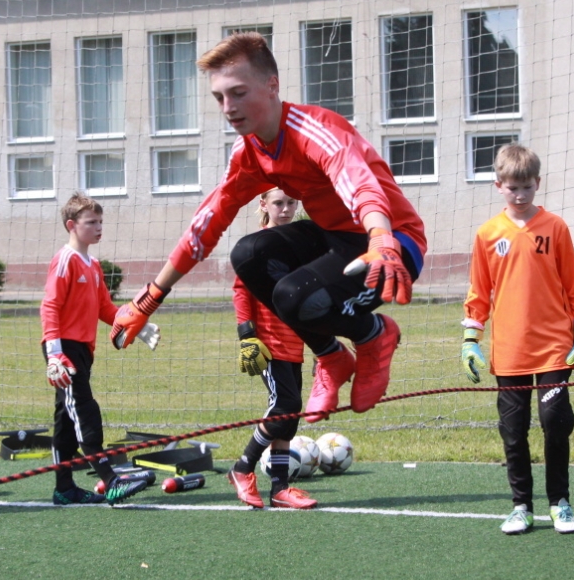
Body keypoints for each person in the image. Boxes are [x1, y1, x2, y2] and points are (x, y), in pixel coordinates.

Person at [110, 31, 427, 442]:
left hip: (392, 245)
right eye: (219, 98)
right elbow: (206, 223)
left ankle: (374, 335)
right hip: (337, 238)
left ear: (272, 85)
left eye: (238, 93)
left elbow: (359, 184)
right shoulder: (250, 153)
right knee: (249, 253)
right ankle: (331, 356)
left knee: (292, 295)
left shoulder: (316, 129)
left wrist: (382, 238)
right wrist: (150, 296)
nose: (228, 108)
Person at [460, 144, 574, 536]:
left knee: (556, 422)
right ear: (498, 185)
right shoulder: (487, 235)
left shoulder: (556, 228)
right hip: (509, 352)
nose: (520, 195)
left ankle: (560, 502)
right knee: (513, 430)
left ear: (538, 183)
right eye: (512, 187)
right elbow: (478, 293)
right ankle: (521, 506)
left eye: (527, 187)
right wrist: (471, 340)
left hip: (554, 348)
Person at [41, 194, 150, 506]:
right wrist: (54, 355)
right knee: (86, 412)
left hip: (82, 352)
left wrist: (135, 324)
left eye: (101, 221)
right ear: (72, 226)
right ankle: (111, 481)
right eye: (91, 222)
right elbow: (49, 306)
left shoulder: (93, 265)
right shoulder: (65, 260)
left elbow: (105, 309)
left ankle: (64, 489)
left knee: (65, 420)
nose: (99, 227)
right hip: (64, 352)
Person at [229, 188, 316, 509]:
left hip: (295, 342)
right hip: (267, 343)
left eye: (291, 203)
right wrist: (246, 335)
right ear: (262, 204)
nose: (286, 209)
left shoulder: (300, 246)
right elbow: (241, 292)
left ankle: (280, 488)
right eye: (278, 203)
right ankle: (241, 468)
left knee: (291, 417)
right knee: (284, 407)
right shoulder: (257, 245)